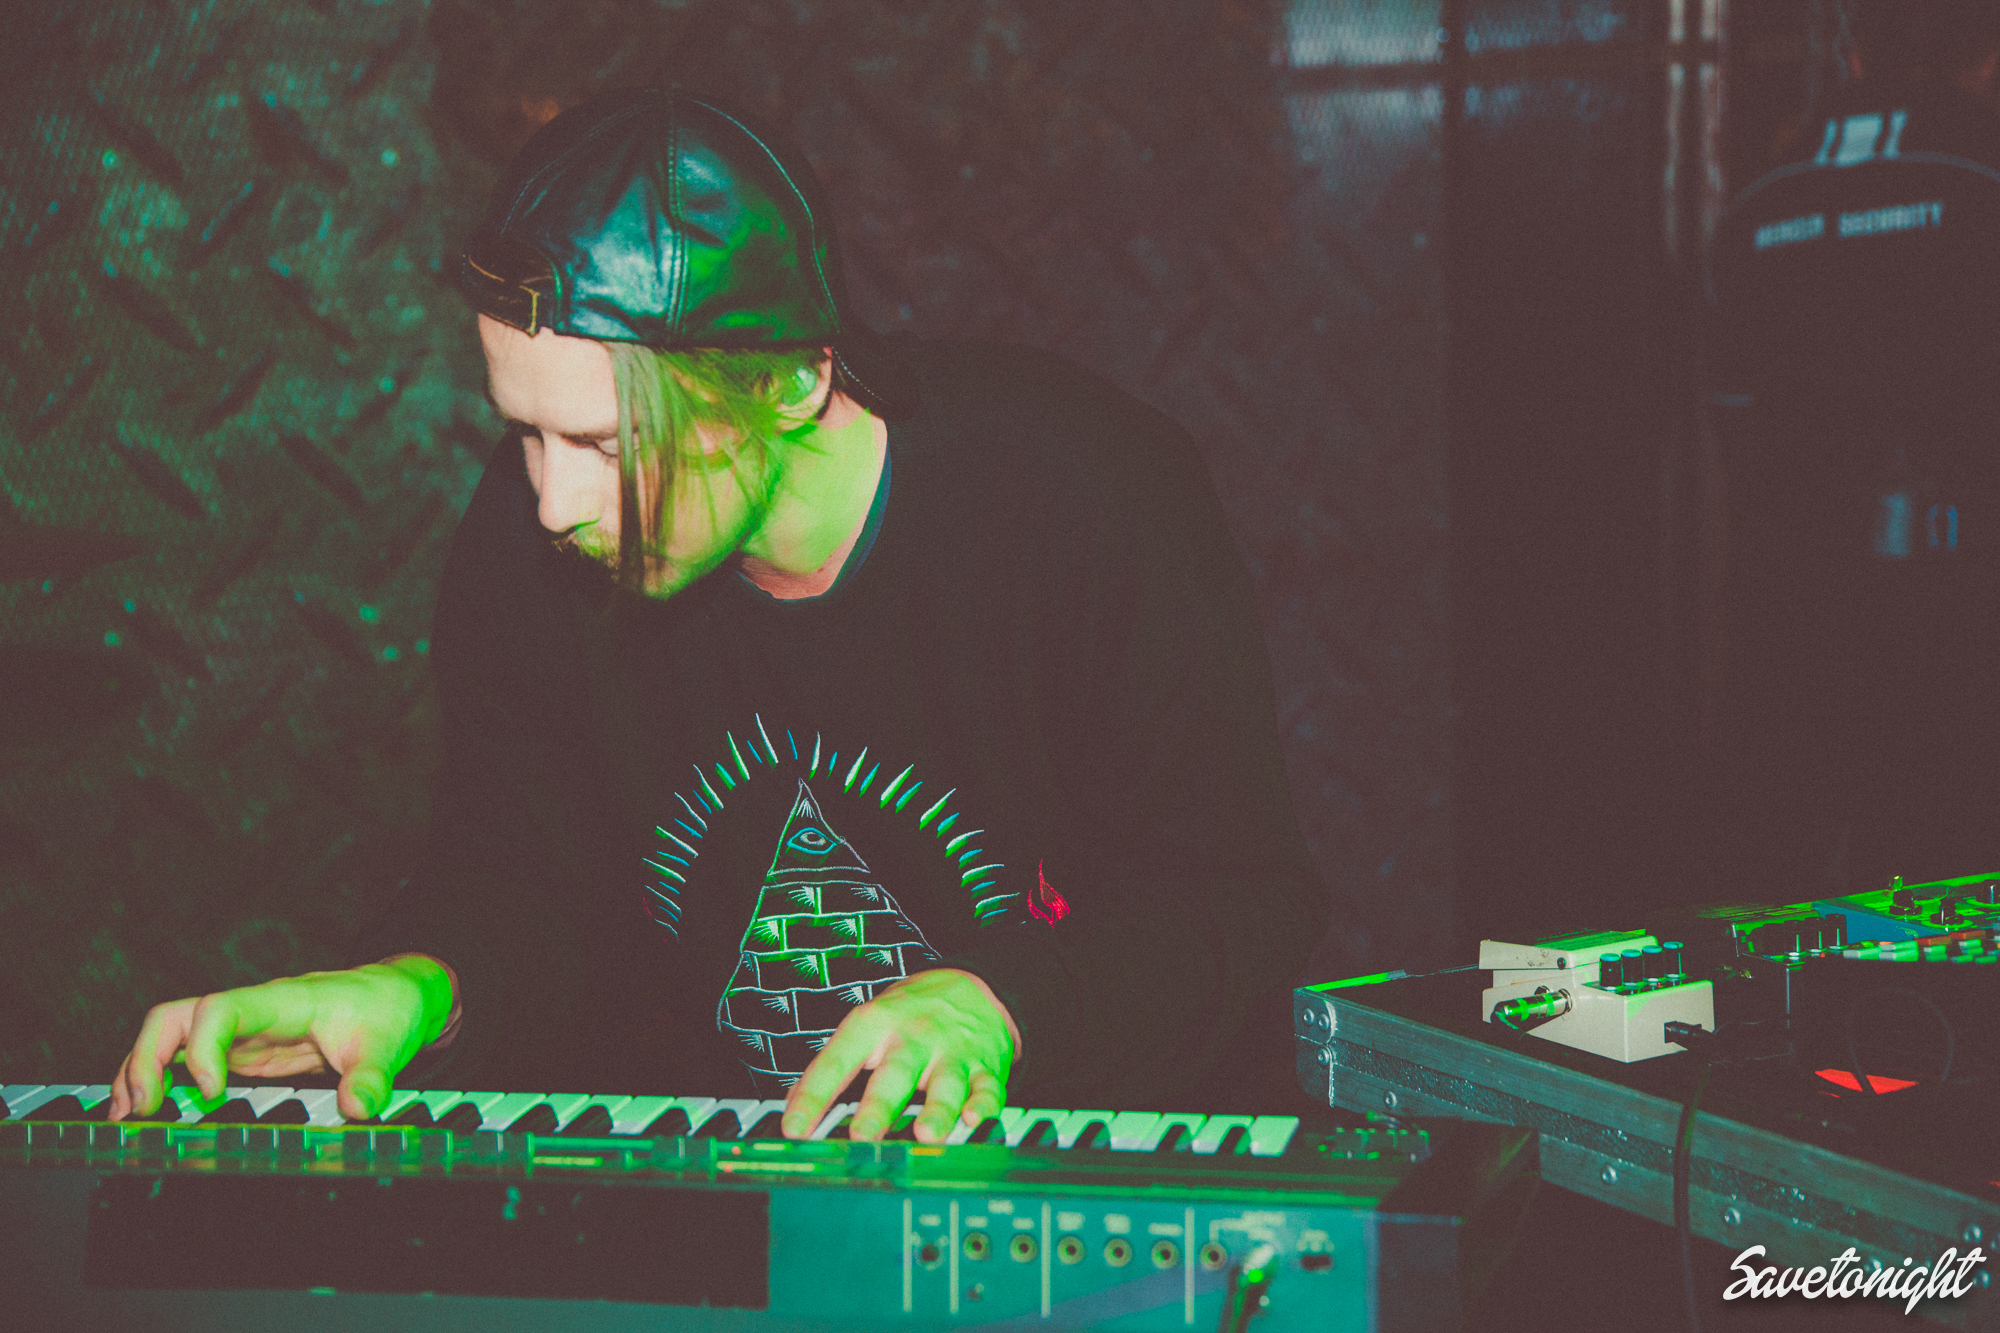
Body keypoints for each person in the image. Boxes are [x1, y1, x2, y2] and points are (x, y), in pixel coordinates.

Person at [106, 89, 1321, 1140]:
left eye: (603, 442)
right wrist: (418, 986)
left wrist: (999, 1002)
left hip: (1076, 1191)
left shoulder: (1081, 498)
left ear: (791, 380)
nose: (551, 501)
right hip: (739, 1188)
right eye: (525, 433)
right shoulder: (524, 544)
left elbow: (1235, 903)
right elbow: (527, 884)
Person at [1702, 2, 2000, 902]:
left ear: (1855, 53)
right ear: (1988, 56)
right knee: (1940, 903)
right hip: (1956, 631)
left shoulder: (1757, 201)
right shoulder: (1984, 174)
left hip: (1787, 624)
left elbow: (1732, 430)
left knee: (1775, 902)